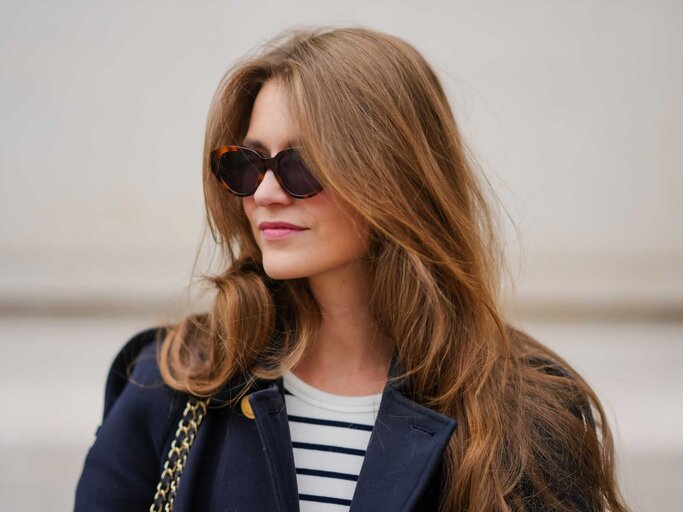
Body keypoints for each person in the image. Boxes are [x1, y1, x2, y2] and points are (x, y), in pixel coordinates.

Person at [75, 26, 629, 512]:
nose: (265, 193)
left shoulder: (526, 413)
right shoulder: (171, 381)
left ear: (395, 177)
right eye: (247, 164)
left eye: (301, 165)